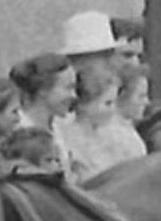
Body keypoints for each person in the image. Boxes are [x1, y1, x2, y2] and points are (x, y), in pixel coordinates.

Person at [58, 59, 150, 188]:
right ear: (84, 104)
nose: (112, 110)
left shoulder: (116, 134)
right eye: (107, 103)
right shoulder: (67, 139)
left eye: (113, 102)